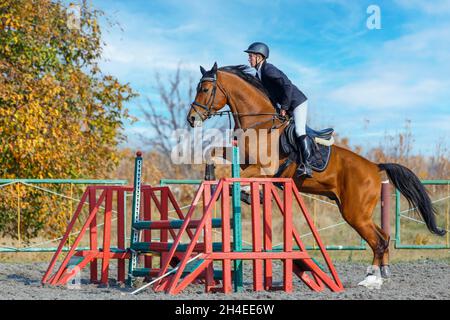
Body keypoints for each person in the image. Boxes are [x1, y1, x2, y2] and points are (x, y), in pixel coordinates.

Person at [245, 42, 313, 178]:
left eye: (251, 56)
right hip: (285, 105)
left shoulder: (268, 69)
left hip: (296, 102)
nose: (249, 59)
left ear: (259, 57)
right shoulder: (259, 74)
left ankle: (307, 165)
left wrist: (284, 107)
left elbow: (287, 85)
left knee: (299, 130)